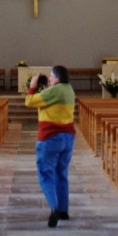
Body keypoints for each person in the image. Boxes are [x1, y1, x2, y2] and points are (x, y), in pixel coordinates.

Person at [25, 65, 76, 227]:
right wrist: (46, 87)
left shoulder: (54, 91)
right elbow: (51, 99)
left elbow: (29, 101)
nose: (49, 79)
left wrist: (32, 85)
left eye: (51, 76)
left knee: (45, 173)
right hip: (68, 138)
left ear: (58, 78)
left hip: (50, 138)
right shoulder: (68, 90)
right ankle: (63, 210)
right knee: (61, 173)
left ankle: (54, 207)